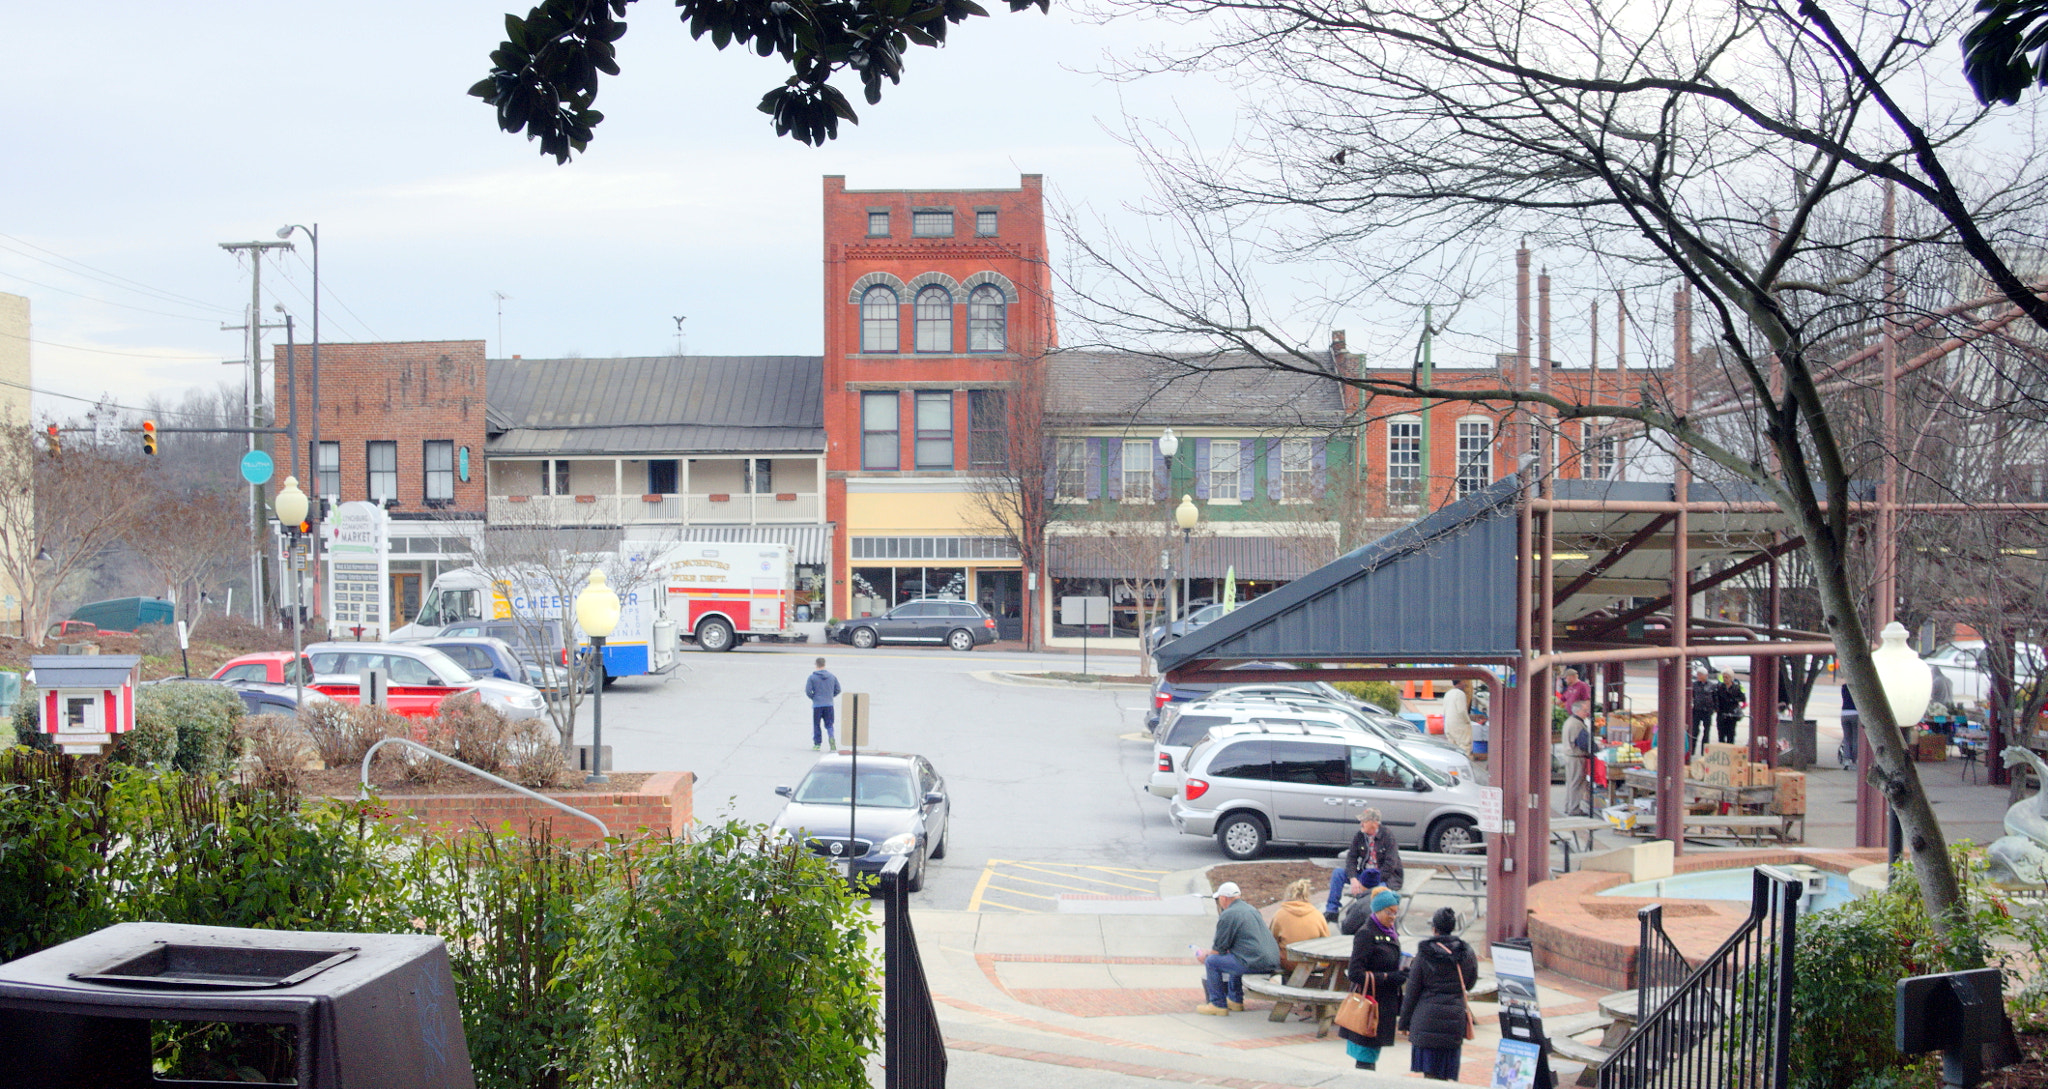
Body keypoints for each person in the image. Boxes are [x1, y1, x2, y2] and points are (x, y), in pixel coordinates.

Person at [1401, 906, 1479, 1082]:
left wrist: (1404, 1023)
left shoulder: (1424, 954)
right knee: (1446, 1077)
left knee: (1429, 1077)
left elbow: (1412, 992)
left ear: (1434, 928)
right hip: (1453, 1021)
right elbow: (1470, 982)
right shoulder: (1466, 952)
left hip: (1426, 1021)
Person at [1338, 888, 1406, 1071]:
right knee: (1365, 1057)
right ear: (1377, 911)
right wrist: (1388, 977)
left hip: (1384, 1004)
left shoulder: (1391, 932)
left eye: (1395, 912)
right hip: (1368, 1005)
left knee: (1371, 1055)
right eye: (1388, 912)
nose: (1392, 917)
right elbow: (1355, 973)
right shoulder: (1366, 934)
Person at [1193, 881, 1281, 1015]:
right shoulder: (1251, 910)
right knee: (1235, 957)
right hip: (1273, 960)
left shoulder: (1228, 914)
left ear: (1223, 898)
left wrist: (1205, 954)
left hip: (1255, 962)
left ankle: (1217, 1004)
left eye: (1218, 899)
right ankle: (1235, 1000)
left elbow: (1218, 950)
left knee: (1212, 962)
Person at [1325, 808, 1404, 922]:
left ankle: (1370, 916)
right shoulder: (1359, 836)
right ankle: (1332, 911)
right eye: (1361, 821)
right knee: (1338, 873)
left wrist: (1368, 883)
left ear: (1375, 823)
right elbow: (1351, 858)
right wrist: (1353, 878)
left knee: (1380, 890)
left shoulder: (1388, 836)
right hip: (1364, 875)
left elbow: (1390, 865)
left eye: (1365, 821)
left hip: (1383, 878)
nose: (1361, 824)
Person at [1268, 877, 1329, 978]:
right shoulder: (1317, 915)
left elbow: (1272, 941)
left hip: (1287, 962)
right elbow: (1326, 942)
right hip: (1311, 962)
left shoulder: (1279, 915)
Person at [804, 658, 840, 751]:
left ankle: (817, 744)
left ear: (816, 664)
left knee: (816, 724)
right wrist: (830, 696)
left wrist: (814, 697)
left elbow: (808, 691)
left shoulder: (812, 677)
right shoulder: (832, 676)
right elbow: (838, 689)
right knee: (829, 724)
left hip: (817, 705)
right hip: (829, 704)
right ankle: (831, 738)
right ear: (824, 664)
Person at [1714, 670, 1746, 746]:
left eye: (1727, 677)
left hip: (1732, 715)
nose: (1725, 679)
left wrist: (1733, 700)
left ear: (1731, 678)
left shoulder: (1736, 687)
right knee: (1721, 735)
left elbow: (1743, 698)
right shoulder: (1719, 687)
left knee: (1730, 735)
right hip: (1721, 714)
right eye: (1723, 677)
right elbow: (1715, 698)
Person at [1689, 665, 1717, 752]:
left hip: (1707, 711)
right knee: (1694, 730)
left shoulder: (1712, 685)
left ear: (1706, 675)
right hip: (1697, 710)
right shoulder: (1695, 685)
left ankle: (1704, 751)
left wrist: (1714, 708)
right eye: (1698, 675)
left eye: (1700, 675)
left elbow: (1715, 698)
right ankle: (1692, 749)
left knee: (1706, 731)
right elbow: (1692, 696)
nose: (1699, 676)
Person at [1443, 680, 1474, 757]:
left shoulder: (1448, 693)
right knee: (1464, 746)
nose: (1465, 684)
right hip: (1459, 725)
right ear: (1460, 683)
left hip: (1448, 724)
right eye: (1464, 682)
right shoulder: (1460, 694)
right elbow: (1462, 711)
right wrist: (1467, 721)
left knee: (1452, 748)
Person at [1840, 681, 1860, 764]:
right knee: (1855, 738)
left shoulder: (1844, 687)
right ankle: (1855, 759)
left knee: (1847, 738)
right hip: (1855, 713)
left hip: (1844, 713)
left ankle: (1847, 760)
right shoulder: (1858, 688)